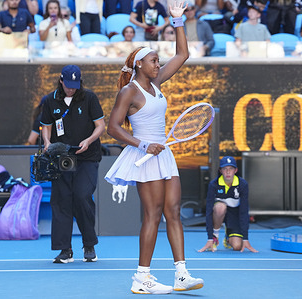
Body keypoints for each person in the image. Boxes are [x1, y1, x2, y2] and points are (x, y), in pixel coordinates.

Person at [105, 2, 204, 295]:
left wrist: (178, 20)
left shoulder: (156, 83)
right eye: (153, 61)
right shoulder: (129, 91)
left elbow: (183, 54)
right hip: (144, 153)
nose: (158, 64)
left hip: (164, 154)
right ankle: (142, 277)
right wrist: (143, 144)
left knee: (173, 210)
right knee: (153, 214)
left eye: (158, 61)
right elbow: (113, 128)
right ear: (139, 64)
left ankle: (181, 274)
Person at [40, 64, 105, 264]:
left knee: (82, 195)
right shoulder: (50, 100)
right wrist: (47, 143)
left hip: (87, 155)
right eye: (68, 85)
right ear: (61, 81)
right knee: (61, 200)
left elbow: (101, 126)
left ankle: (89, 244)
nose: (71, 89)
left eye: (75, 85)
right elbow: (46, 126)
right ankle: (64, 249)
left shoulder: (90, 98)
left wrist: (89, 140)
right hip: (62, 156)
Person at [198, 156, 258, 253]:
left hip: (234, 215)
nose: (228, 172)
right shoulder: (214, 184)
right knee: (220, 207)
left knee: (237, 246)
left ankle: (228, 236)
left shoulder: (242, 185)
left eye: (231, 169)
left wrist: (245, 238)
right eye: (225, 169)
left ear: (236, 170)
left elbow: (244, 211)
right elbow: (208, 211)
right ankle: (215, 237)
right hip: (220, 213)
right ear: (220, 171)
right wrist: (209, 237)